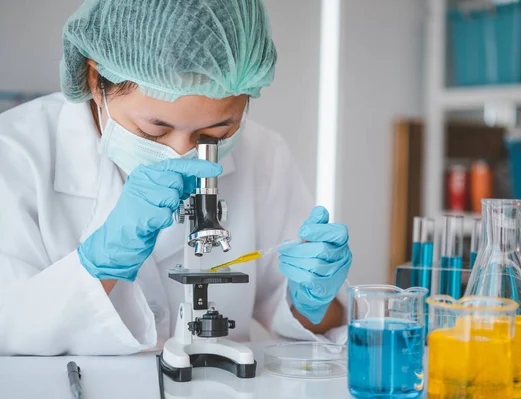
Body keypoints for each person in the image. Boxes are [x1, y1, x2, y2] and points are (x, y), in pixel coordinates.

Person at [0, 0, 352, 355]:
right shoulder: (15, 152)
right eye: (154, 132)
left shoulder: (264, 153)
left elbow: (322, 323)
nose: (181, 153)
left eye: (213, 135)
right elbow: (8, 329)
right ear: (96, 81)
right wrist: (97, 266)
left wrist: (313, 301)